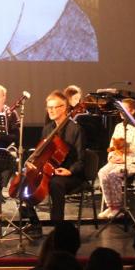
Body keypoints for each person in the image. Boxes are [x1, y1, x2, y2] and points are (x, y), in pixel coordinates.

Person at [18, 91, 84, 236]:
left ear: (64, 108)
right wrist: (33, 163)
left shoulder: (75, 129)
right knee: (22, 180)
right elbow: (42, 153)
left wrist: (70, 170)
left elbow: (81, 160)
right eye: (49, 108)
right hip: (50, 170)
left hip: (71, 175)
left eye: (54, 107)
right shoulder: (48, 128)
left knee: (55, 183)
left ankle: (58, 228)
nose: (51, 111)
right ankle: (34, 223)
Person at [97, 98, 135, 219]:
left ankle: (117, 208)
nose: (121, 112)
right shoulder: (118, 127)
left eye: (124, 109)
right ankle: (110, 206)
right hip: (118, 160)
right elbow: (112, 145)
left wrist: (125, 159)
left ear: (132, 111)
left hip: (134, 162)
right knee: (102, 172)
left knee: (113, 174)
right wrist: (112, 157)